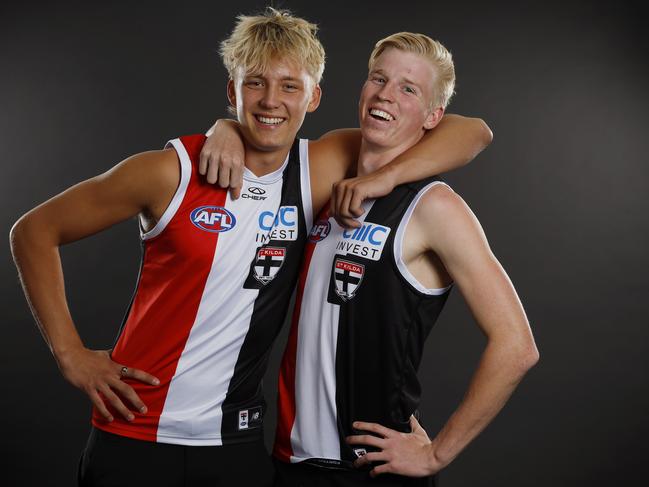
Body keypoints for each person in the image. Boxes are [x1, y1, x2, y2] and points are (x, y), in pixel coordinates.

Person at [9, 8, 490, 487]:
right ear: (231, 91)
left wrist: (383, 178)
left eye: (289, 86)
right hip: (134, 433)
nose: (271, 101)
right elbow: (32, 232)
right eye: (255, 83)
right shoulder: (169, 171)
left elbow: (470, 132)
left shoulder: (319, 168)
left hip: (235, 447)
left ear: (314, 97)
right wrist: (69, 353)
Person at [204, 32, 538, 487]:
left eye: (408, 88)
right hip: (290, 463)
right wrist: (224, 127)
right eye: (378, 78)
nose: (385, 94)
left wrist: (436, 454)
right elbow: (265, 143)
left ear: (433, 116)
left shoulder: (433, 206)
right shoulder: (327, 186)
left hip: (370, 470)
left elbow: (516, 346)